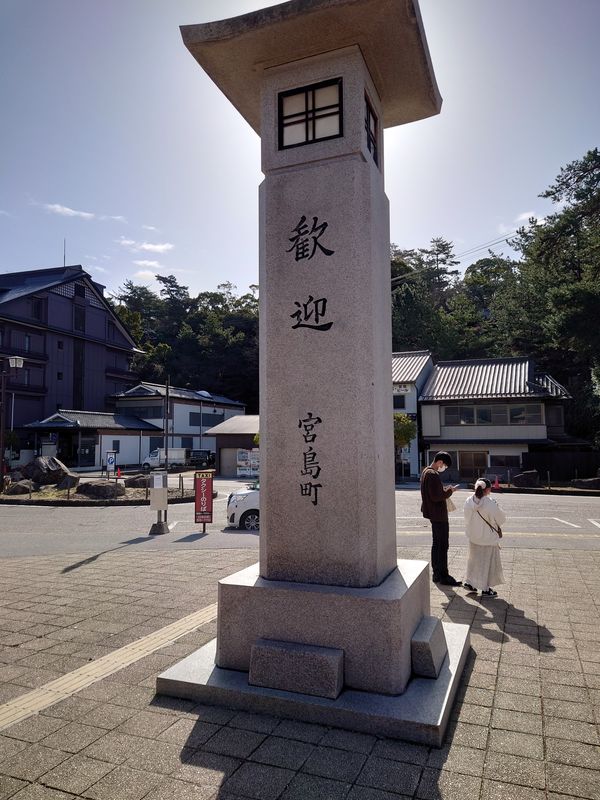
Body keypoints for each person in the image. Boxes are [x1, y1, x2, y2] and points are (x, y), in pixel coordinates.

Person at [420, 451, 461, 586]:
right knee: (443, 545)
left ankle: (437, 574)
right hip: (439, 515)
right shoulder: (432, 474)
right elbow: (436, 496)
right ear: (440, 462)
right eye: (445, 466)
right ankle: (443, 576)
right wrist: (450, 491)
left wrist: (443, 489)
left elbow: (433, 492)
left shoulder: (426, 471)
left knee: (437, 544)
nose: (444, 468)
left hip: (433, 514)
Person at [463, 478, 505, 597]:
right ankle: (486, 589)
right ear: (487, 489)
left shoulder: (468, 501)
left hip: (473, 537)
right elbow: (501, 519)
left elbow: (466, 519)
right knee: (487, 563)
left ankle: (470, 582)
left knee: (473, 561)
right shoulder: (490, 503)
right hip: (488, 538)